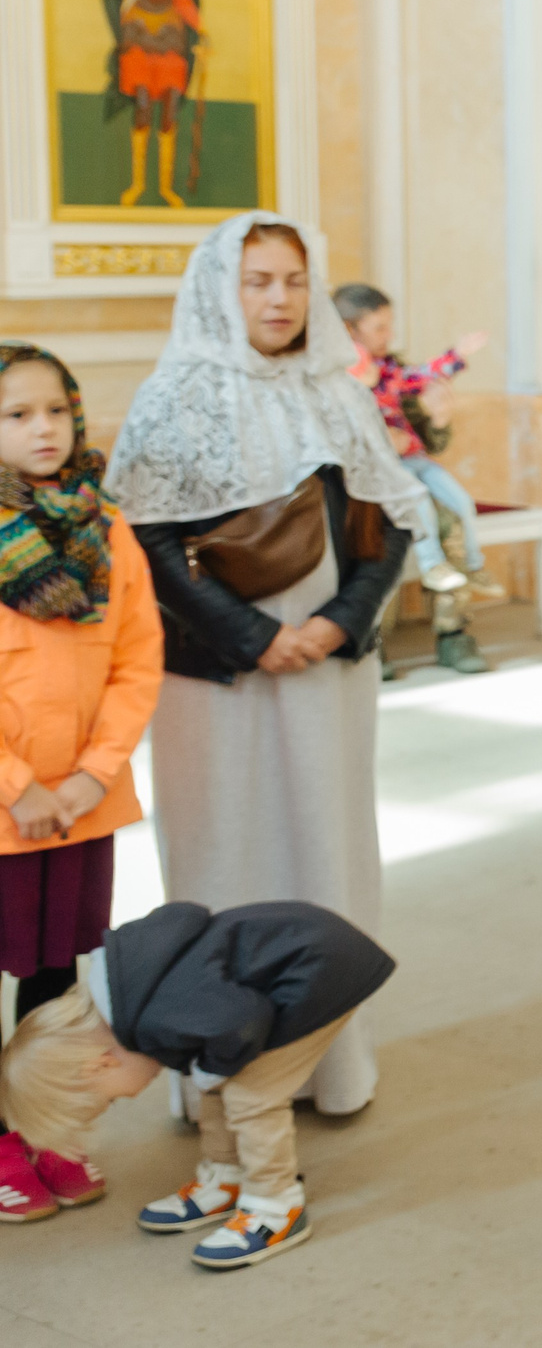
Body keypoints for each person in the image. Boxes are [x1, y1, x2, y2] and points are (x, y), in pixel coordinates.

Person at [106, 213, 423, 1118]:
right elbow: (149, 537)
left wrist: (334, 623)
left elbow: (390, 518)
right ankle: (213, 1069)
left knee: (329, 846)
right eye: (257, 281)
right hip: (218, 673)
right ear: (220, 288)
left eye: (292, 279)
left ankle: (330, 1065)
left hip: (327, 664)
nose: (278, 298)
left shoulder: (339, 389)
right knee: (219, 853)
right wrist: (255, 636)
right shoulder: (176, 393)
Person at [0, 899, 395, 1270]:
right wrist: (214, 1070)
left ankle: (276, 1206)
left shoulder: (160, 1016)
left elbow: (244, 1019)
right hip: (305, 952)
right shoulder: (132, 995)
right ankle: (227, 1177)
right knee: (216, 1075)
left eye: (112, 1099)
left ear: (99, 1065)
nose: (128, 1097)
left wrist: (216, 1069)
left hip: (319, 971)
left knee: (251, 1094)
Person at [0, 344, 163, 1224]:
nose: (41, 429)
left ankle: (45, 1127)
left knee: (57, 976)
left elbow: (138, 661)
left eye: (54, 411)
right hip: (6, 808)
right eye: (15, 414)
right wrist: (18, 786)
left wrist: (92, 775)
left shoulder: (109, 531)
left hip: (81, 806)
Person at [333, 282, 493, 674]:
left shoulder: (390, 371)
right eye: (380, 328)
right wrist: (371, 440)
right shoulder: (325, 378)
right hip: (352, 487)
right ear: (350, 331)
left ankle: (453, 633)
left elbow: (427, 440)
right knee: (369, 537)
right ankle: (371, 640)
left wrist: (437, 420)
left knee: (446, 515)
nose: (388, 337)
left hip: (407, 471)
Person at [95, 0, 200, 211]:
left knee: (169, 108)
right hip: (139, 32)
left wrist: (201, 30)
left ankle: (167, 189)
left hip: (170, 35)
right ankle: (138, 184)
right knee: (142, 104)